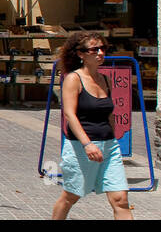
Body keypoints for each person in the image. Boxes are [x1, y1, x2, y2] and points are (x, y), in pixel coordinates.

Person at [52, 31, 132, 221]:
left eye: (103, 48)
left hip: (109, 145)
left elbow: (109, 112)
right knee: (71, 196)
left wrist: (113, 137)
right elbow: (70, 115)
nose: (100, 53)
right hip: (81, 147)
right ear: (81, 54)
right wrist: (88, 144)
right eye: (94, 49)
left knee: (120, 199)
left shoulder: (105, 79)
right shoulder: (73, 79)